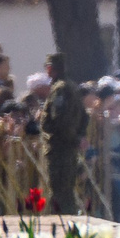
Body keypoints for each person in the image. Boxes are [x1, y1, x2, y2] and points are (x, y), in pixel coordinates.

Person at [38, 52, 85, 218]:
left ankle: (60, 226)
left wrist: (69, 137)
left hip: (59, 148)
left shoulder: (60, 89)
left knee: (59, 192)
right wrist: (79, 137)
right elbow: (84, 117)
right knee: (66, 191)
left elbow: (59, 119)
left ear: (51, 68)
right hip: (68, 147)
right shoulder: (72, 87)